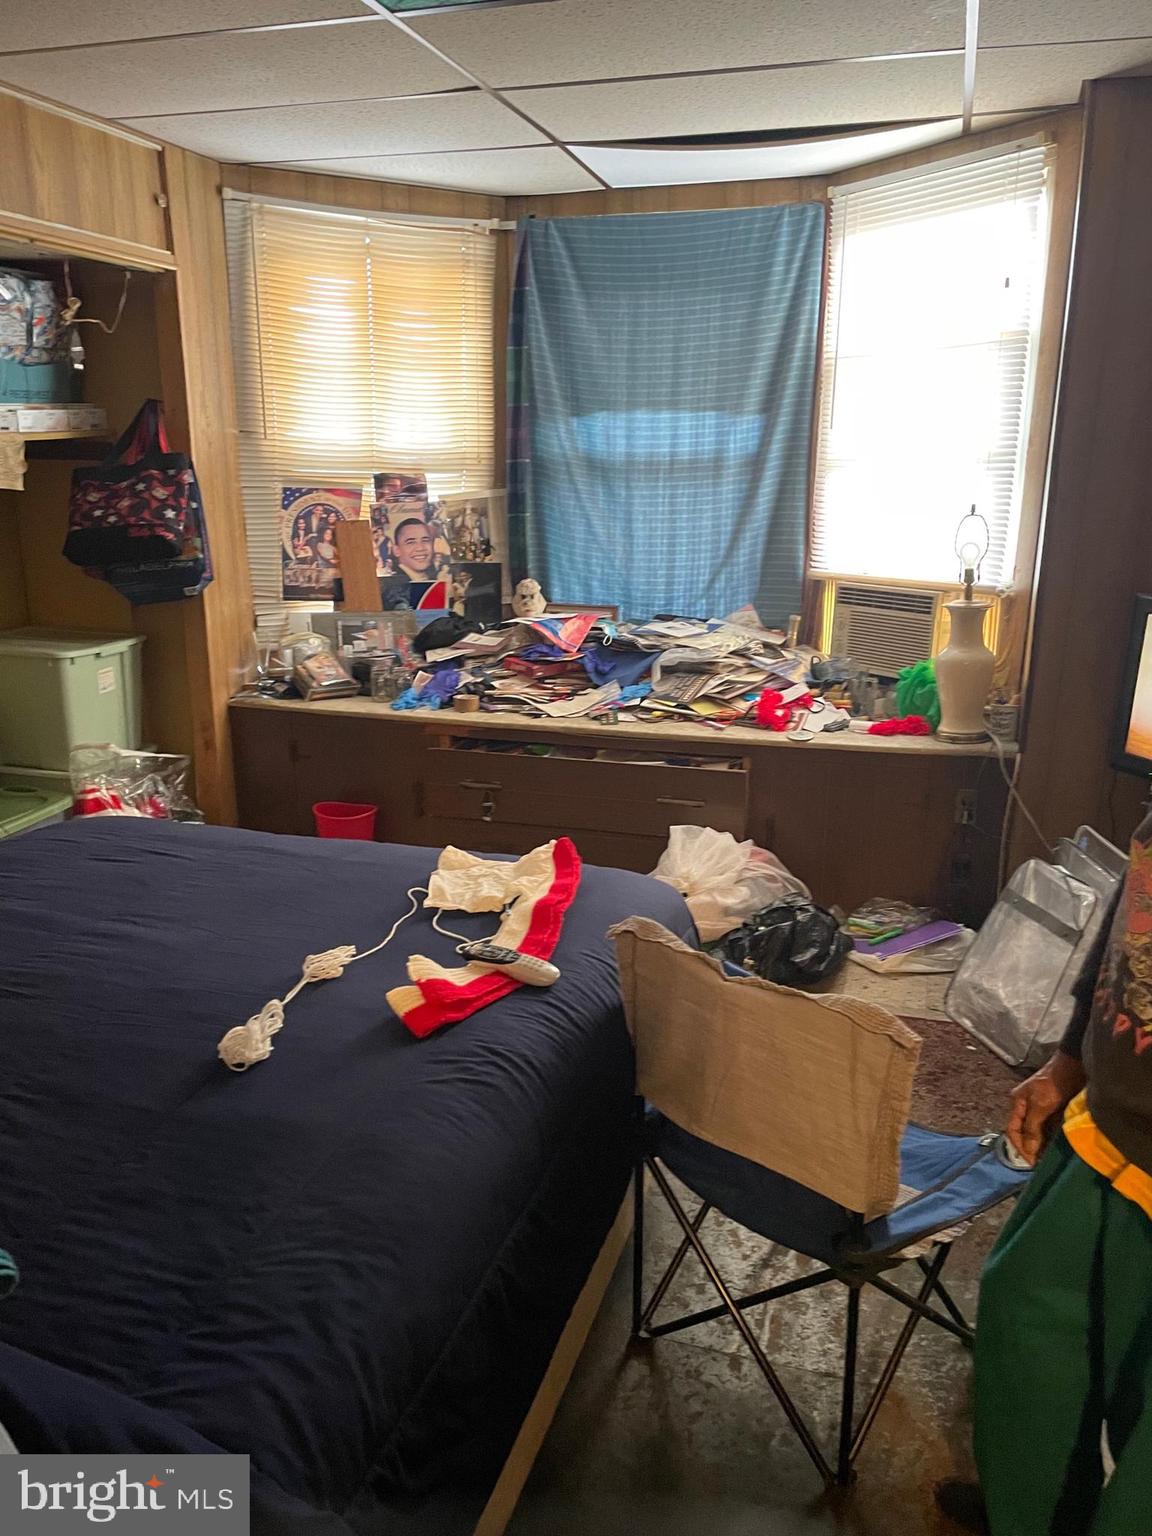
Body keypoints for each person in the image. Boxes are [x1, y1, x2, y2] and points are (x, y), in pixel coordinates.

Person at [938, 820, 1152, 1535]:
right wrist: (1072, 1059)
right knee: (1029, 1335)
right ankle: (1029, 1515)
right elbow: (1130, 918)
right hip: (1103, 1132)